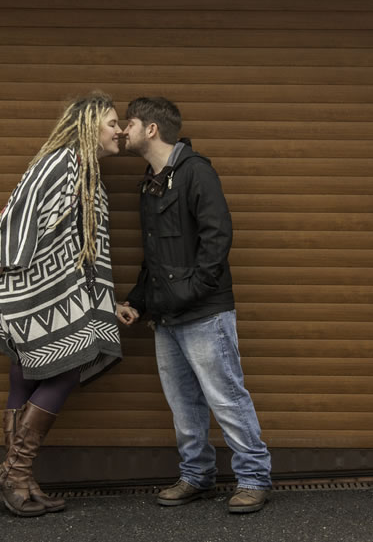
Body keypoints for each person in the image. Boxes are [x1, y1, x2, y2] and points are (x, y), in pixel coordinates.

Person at [0, 91, 128, 517]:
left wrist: (104, 301)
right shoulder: (61, 163)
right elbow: (15, 219)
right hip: (33, 290)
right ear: (90, 125)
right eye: (112, 123)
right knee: (67, 364)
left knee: (26, 372)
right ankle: (14, 471)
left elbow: (82, 246)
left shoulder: (83, 171)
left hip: (53, 291)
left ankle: (21, 479)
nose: (120, 131)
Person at [118, 96, 272, 514]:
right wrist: (138, 299)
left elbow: (217, 239)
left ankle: (254, 478)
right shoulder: (152, 182)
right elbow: (156, 256)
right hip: (166, 315)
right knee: (183, 401)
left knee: (225, 396)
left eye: (128, 123)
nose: (121, 130)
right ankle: (197, 475)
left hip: (204, 311)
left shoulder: (196, 173)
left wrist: (190, 291)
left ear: (151, 129)